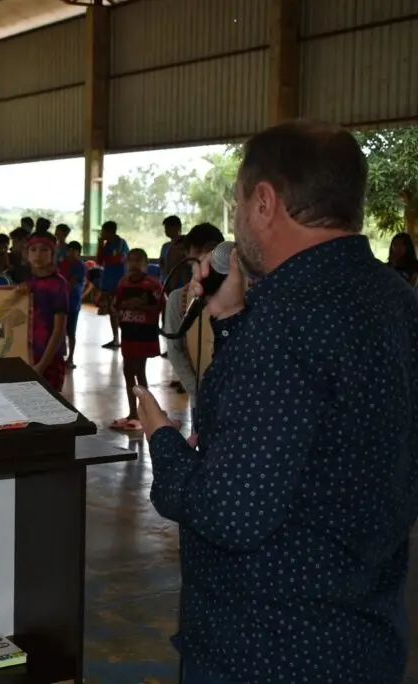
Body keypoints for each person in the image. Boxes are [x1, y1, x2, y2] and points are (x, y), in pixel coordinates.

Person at [136, 120, 418, 684]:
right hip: (364, 636)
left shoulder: (285, 321)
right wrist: (234, 321)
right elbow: (310, 422)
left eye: (238, 203)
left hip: (267, 648)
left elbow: (230, 512)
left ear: (264, 201)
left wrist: (162, 441)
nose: (236, 222)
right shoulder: (396, 299)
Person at [163, 223, 224, 406]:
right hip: (201, 397)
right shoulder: (178, 299)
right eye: (197, 251)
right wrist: (198, 390)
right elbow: (175, 350)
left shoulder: (241, 293)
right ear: (189, 256)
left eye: (213, 251)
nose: (204, 257)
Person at [109, 248, 163, 431]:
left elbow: (158, 306)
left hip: (144, 333)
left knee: (139, 371)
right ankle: (133, 411)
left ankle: (144, 411)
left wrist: (142, 306)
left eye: (138, 260)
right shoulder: (123, 283)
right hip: (129, 333)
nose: (134, 264)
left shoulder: (152, 285)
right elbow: (116, 305)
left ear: (146, 263)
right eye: (130, 260)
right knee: (127, 370)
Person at [26, 230, 68, 391]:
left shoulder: (58, 285)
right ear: (27, 253)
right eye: (33, 250)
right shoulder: (26, 282)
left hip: (50, 359)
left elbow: (59, 329)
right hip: (26, 355)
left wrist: (42, 365)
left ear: (53, 253)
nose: (38, 255)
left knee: (48, 410)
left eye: (44, 250)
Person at [95, 220, 128, 349]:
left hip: (118, 281)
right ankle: (115, 339)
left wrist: (106, 259)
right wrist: (100, 246)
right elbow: (99, 261)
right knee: (111, 311)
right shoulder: (106, 245)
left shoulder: (120, 243)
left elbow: (118, 259)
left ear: (109, 231)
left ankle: (126, 337)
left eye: (103, 231)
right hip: (108, 281)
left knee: (119, 310)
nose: (102, 234)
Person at [58, 240, 87, 367]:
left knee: (71, 332)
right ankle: (60, 356)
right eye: (70, 250)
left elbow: (73, 282)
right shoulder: (61, 264)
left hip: (73, 303)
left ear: (79, 253)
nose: (71, 253)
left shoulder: (80, 266)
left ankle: (70, 358)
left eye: (74, 251)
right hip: (61, 302)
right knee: (59, 330)